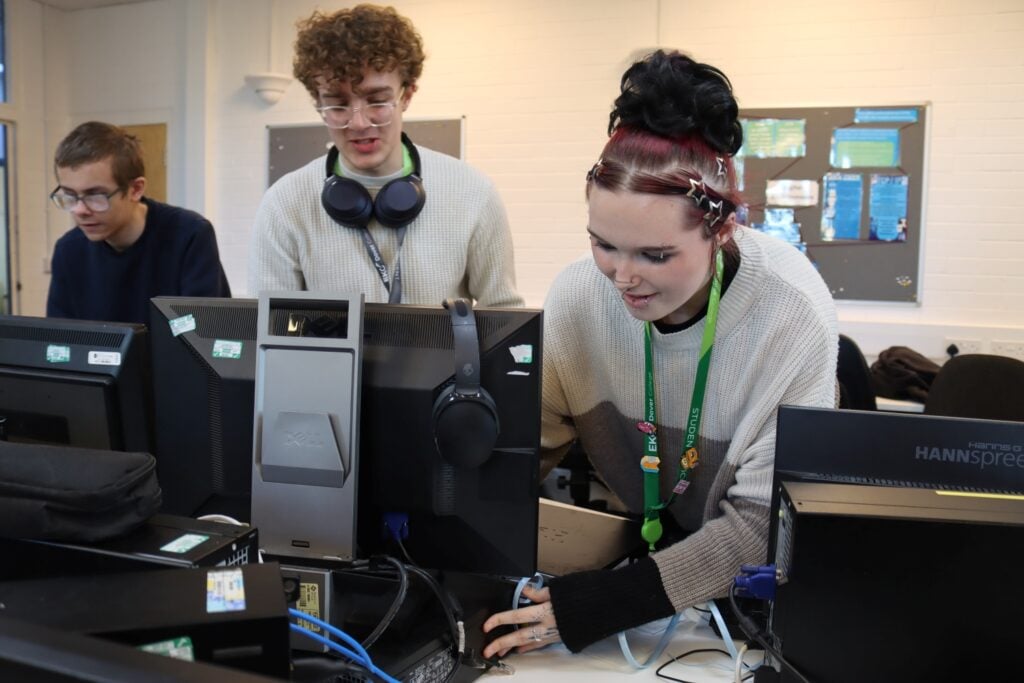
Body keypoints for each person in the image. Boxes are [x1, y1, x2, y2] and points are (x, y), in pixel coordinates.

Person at [482, 50, 838, 656]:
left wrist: (599, 607)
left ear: (720, 229)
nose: (622, 277)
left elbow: (761, 528)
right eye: (604, 244)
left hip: (753, 592)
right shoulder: (577, 297)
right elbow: (519, 455)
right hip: (652, 565)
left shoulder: (790, 313)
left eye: (654, 255)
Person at [249, 4, 523, 307]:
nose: (359, 122)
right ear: (317, 104)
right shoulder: (285, 203)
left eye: (377, 101)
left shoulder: (473, 193)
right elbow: (269, 331)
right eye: (338, 105)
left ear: (406, 95)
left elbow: (504, 316)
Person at [46, 121, 231, 324]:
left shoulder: (189, 236)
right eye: (70, 195)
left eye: (95, 195)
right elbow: (62, 342)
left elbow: (205, 334)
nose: (80, 210)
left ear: (135, 189)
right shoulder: (68, 251)